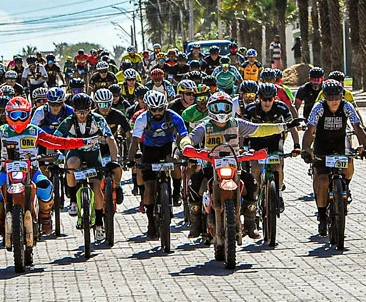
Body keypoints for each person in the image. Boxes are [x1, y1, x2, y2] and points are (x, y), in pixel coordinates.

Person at [181, 92, 296, 239]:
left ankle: (250, 223)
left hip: (234, 166)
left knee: (253, 185)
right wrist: (186, 145)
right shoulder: (205, 126)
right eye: (217, 107)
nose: (221, 112)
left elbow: (259, 129)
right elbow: (190, 138)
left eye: (225, 107)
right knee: (193, 184)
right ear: (211, 109)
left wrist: (283, 126)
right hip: (210, 166)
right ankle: (195, 223)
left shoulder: (237, 123)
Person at [0, 96, 97, 240]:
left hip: (32, 169)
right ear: (8, 115)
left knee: (46, 186)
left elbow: (58, 142)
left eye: (22, 115)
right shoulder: (2, 131)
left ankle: (45, 216)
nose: (18, 119)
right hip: (6, 170)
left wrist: (83, 142)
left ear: (28, 114)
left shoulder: (34, 131)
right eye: (14, 115)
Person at [301, 80, 366, 236]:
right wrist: (306, 149)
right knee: (323, 180)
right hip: (322, 144)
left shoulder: (347, 106)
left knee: (349, 162)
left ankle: (344, 186)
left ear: (341, 96)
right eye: (330, 98)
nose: (333, 101)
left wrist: (365, 146)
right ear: (324, 96)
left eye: (337, 97)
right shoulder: (318, 107)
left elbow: (357, 127)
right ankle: (322, 216)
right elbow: (310, 129)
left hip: (340, 142)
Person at [54, 93, 119, 236]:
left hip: (93, 155)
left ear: (90, 109)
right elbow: (54, 139)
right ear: (74, 110)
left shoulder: (98, 119)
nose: (82, 115)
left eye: (85, 111)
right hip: (75, 153)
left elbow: (110, 139)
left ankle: (99, 223)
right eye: (78, 111)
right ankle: (73, 201)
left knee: (96, 187)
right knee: (70, 164)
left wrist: (114, 160)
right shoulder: (68, 121)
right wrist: (54, 156)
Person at [128, 91, 188, 238]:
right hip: (149, 149)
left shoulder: (173, 116)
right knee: (150, 185)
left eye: (160, 109)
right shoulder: (142, 118)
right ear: (149, 108)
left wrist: (186, 152)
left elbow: (183, 135)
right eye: (153, 110)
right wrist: (130, 160)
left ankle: (175, 193)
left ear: (165, 106)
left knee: (173, 160)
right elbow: (135, 141)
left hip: (168, 145)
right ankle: (150, 221)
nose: (157, 112)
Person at [241, 83, 301, 215]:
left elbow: (291, 126)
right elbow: (242, 129)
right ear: (259, 98)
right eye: (264, 99)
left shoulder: (281, 107)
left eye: (270, 99)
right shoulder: (251, 108)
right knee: (255, 168)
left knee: (277, 166)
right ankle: (255, 197)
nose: (267, 102)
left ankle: (278, 193)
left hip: (274, 141)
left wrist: (297, 145)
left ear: (275, 98)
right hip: (256, 142)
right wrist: (241, 148)